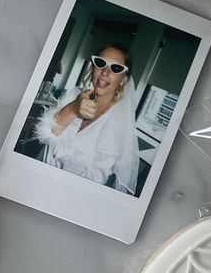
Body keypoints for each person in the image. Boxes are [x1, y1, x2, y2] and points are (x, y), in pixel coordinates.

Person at [36, 44, 140, 194]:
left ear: (124, 78)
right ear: (93, 67)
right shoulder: (73, 95)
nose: (105, 72)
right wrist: (73, 108)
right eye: (100, 63)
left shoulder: (118, 124)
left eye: (116, 68)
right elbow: (46, 134)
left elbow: (95, 179)